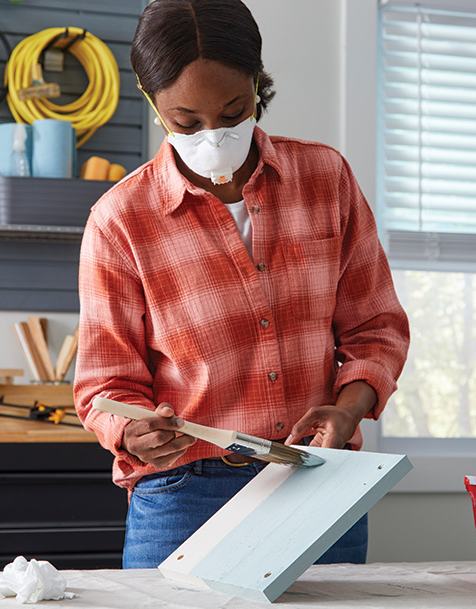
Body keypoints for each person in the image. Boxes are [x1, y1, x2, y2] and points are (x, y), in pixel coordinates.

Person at [73, 0, 410, 569]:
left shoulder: (326, 179)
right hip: (184, 494)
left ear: (257, 84)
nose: (214, 136)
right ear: (153, 104)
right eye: (187, 122)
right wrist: (132, 433)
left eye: (233, 112)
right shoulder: (121, 219)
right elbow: (104, 382)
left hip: (318, 481)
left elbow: (376, 328)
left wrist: (347, 410)